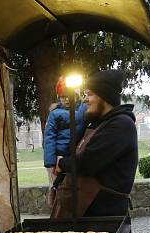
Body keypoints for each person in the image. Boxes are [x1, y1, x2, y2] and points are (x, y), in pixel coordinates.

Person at [51, 69, 138, 218]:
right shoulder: (96, 124)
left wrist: (62, 163)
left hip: (105, 216)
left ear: (104, 97)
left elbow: (88, 162)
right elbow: (72, 150)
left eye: (89, 94)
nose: (85, 99)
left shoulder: (121, 125)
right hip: (85, 214)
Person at [43, 78, 86, 186]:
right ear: (59, 97)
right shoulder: (55, 114)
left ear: (77, 96)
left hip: (77, 151)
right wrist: (51, 161)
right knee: (60, 185)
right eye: (63, 96)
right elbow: (49, 137)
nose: (67, 99)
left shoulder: (83, 109)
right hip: (61, 153)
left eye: (71, 96)